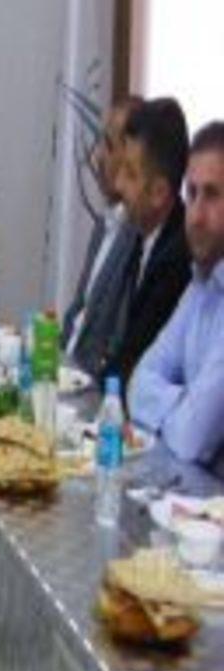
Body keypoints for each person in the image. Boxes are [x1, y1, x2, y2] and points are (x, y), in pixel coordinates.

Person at [129, 121, 224, 473]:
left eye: (212, 195)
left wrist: (174, 408)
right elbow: (137, 383)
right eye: (192, 193)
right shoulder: (201, 284)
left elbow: (191, 441)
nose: (195, 215)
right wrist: (184, 402)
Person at [108, 98, 191, 384]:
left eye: (130, 174)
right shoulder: (143, 235)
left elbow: (134, 362)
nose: (118, 184)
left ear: (159, 192)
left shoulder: (177, 260)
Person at [62, 95, 143, 378]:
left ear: (132, 156)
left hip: (92, 388)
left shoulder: (138, 239)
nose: (97, 156)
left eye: (108, 145)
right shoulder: (104, 224)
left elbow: (115, 344)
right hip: (65, 372)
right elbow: (77, 313)